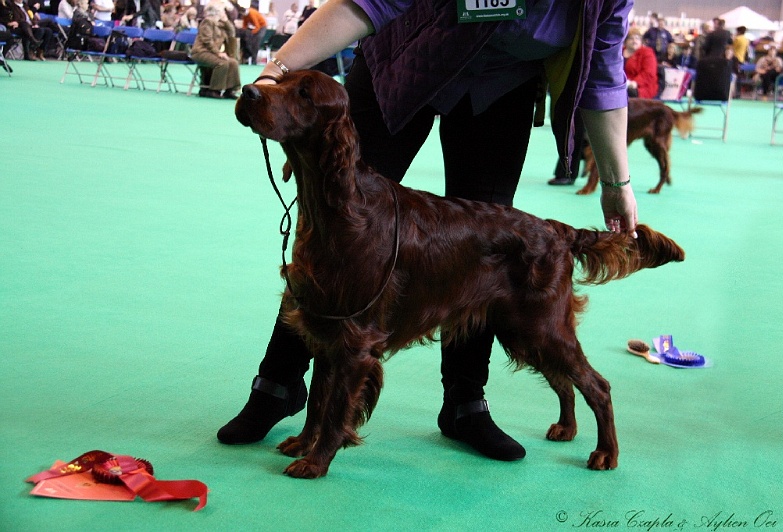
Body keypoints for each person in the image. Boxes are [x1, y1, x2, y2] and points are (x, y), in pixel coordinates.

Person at [217, 0, 639, 462]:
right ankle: (277, 386)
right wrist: (279, 67)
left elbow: (602, 70)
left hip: (502, 87)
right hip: (403, 63)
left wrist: (617, 182)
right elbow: (367, 3)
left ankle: (465, 404)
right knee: (337, 229)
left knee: (481, 255)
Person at [191, 0, 240, 99]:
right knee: (222, 63)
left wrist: (226, 21)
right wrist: (218, 53)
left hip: (211, 52)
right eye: (223, 10)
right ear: (217, 11)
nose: (224, 12)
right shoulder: (207, 22)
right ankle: (214, 90)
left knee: (233, 62)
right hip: (201, 52)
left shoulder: (220, 24)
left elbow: (232, 33)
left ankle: (230, 90)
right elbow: (207, 40)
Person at [624, 29, 659, 98]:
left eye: (637, 38)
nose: (634, 41)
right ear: (626, 41)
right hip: (622, 84)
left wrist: (635, 83)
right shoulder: (619, 52)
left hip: (641, 87)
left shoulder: (647, 53)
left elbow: (648, 73)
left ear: (641, 41)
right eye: (631, 38)